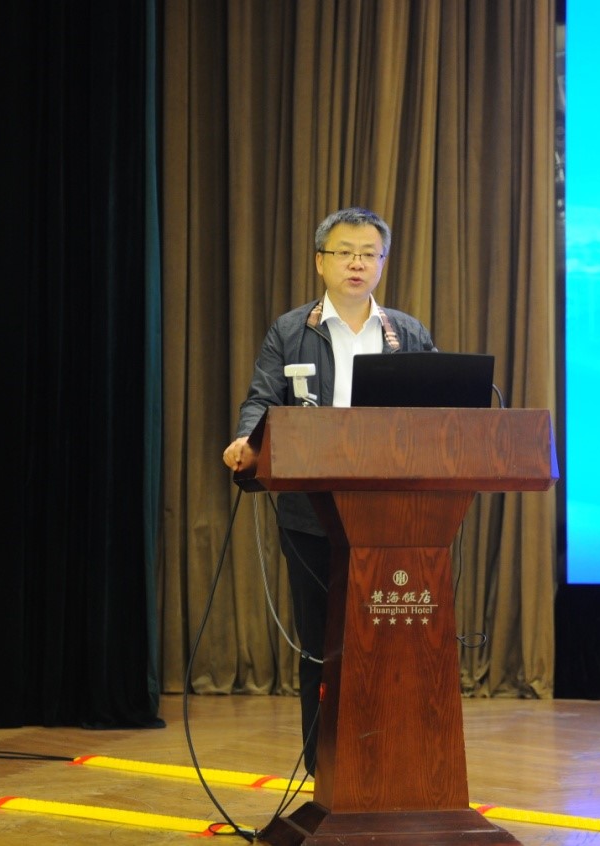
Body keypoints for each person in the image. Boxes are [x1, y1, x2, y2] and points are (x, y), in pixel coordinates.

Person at [221, 207, 435, 774]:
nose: (357, 263)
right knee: (320, 643)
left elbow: (441, 410)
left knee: (390, 642)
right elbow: (262, 399)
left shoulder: (407, 333)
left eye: (369, 253)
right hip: (310, 511)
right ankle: (325, 770)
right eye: (344, 252)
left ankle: (390, 765)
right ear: (321, 261)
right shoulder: (292, 330)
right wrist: (245, 439)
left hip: (393, 514)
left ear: (383, 263)